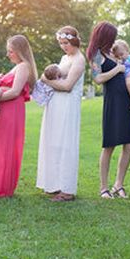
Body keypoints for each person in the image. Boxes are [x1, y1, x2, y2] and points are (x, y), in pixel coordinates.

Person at [0, 35, 37, 198]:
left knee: (3, 148)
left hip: (11, 110)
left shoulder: (23, 66)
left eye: (11, 51)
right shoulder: (16, 67)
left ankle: (0, 187)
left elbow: (15, 92)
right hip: (3, 110)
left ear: (20, 51)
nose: (8, 54)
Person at [88, 22, 130, 199]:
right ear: (104, 36)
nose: (114, 40)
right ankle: (103, 188)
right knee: (110, 145)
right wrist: (117, 69)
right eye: (111, 37)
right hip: (113, 103)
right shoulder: (96, 55)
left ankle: (118, 185)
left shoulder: (114, 52)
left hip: (128, 100)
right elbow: (98, 78)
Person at [36, 26, 86, 202]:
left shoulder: (79, 60)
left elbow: (67, 86)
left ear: (74, 41)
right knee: (54, 143)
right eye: (61, 43)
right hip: (55, 105)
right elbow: (58, 75)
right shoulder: (65, 58)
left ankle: (67, 190)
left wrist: (45, 80)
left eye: (66, 43)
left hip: (68, 105)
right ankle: (54, 184)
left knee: (66, 144)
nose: (63, 47)